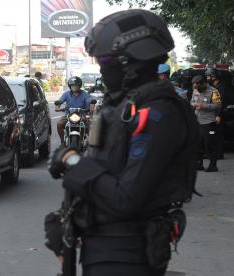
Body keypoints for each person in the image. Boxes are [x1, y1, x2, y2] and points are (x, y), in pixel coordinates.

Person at [46, 9, 200, 275]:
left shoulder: (159, 115)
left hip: (127, 256)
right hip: (102, 249)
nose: (102, 69)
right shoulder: (124, 107)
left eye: (105, 61)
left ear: (131, 63)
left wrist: (72, 160)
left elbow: (125, 198)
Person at [191, 75, 222, 172]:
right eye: (195, 87)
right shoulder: (196, 91)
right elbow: (192, 101)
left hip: (209, 122)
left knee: (209, 144)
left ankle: (213, 165)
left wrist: (204, 106)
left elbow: (218, 105)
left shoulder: (214, 91)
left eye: (199, 87)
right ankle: (199, 164)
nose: (197, 89)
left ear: (204, 83)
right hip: (198, 121)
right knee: (198, 143)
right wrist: (193, 104)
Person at [55, 76, 92, 145]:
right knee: (59, 124)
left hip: (82, 115)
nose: (74, 87)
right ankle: (62, 142)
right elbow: (60, 101)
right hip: (68, 115)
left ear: (79, 86)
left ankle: (91, 144)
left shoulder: (85, 94)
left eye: (76, 85)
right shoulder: (66, 94)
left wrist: (92, 105)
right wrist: (58, 106)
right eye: (72, 85)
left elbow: (90, 101)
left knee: (91, 125)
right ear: (70, 86)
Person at [205, 68, 226, 159]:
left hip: (218, 114)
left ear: (214, 77)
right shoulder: (215, 87)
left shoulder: (221, 88)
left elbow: (221, 103)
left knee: (218, 134)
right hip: (214, 114)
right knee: (213, 133)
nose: (207, 78)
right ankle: (214, 153)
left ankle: (219, 154)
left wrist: (218, 115)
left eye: (208, 76)